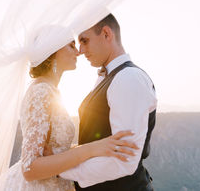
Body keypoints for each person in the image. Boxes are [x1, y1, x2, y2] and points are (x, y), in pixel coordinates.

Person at [0, 26, 138, 191]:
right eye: (71, 45)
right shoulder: (41, 91)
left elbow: (54, 149)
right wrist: (90, 149)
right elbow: (29, 168)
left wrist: (99, 147)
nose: (78, 52)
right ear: (53, 50)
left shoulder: (49, 90)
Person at [59, 14, 157, 190]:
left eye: (84, 41)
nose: (80, 50)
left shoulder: (128, 78)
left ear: (106, 34)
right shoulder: (112, 76)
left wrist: (61, 169)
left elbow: (124, 161)